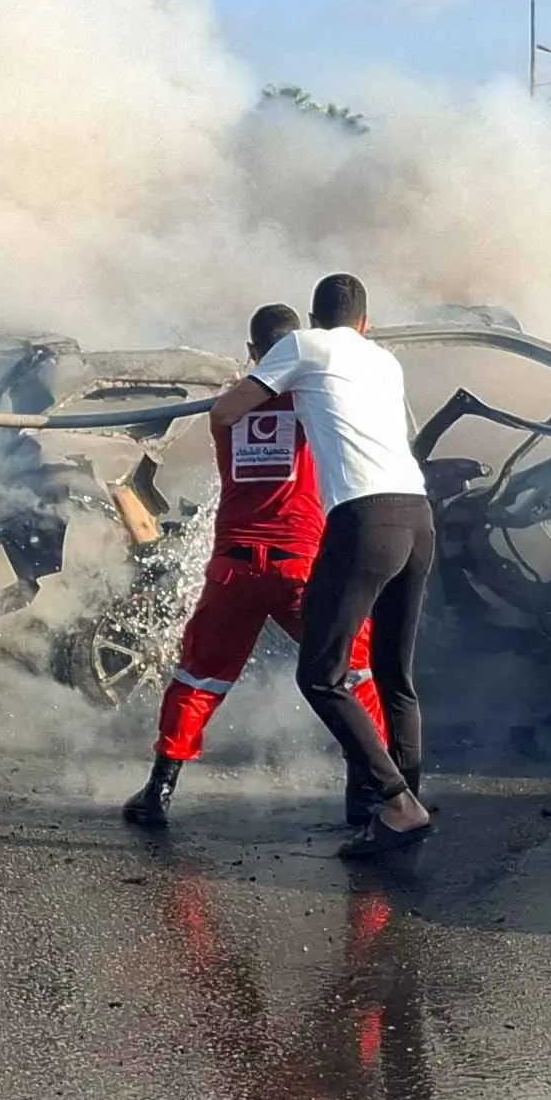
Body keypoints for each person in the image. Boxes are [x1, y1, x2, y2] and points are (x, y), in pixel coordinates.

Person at [125, 304, 397, 831]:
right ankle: (367, 796)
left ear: (252, 352)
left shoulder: (225, 410)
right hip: (303, 568)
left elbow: (242, 401)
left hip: (234, 570)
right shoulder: (316, 398)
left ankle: (159, 789)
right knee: (354, 672)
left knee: (198, 676)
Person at [209, 274, 435, 859]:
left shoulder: (303, 347)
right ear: (365, 322)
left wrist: (261, 388)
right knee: (393, 674)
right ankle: (403, 802)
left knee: (321, 674)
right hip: (418, 518)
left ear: (313, 318)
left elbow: (229, 410)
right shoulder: (385, 361)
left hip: (364, 522)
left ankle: (395, 803)